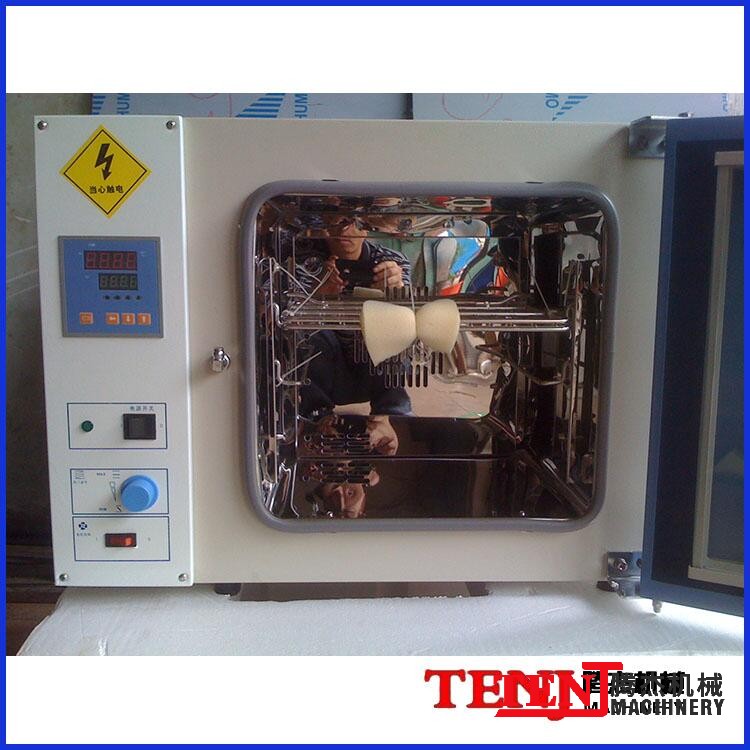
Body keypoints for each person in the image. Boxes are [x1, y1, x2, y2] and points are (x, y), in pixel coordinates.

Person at [299, 212, 413, 418]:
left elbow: (409, 316)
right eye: (337, 222)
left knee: (394, 326)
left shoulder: (391, 262)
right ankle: (316, 417)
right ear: (324, 228)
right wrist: (317, 297)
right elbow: (290, 317)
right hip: (325, 368)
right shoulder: (307, 263)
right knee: (313, 333)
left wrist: (396, 291)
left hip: (375, 367)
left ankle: (394, 414)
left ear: (367, 227)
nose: (345, 230)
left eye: (354, 222)